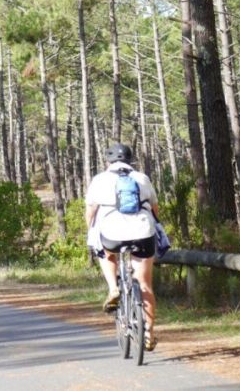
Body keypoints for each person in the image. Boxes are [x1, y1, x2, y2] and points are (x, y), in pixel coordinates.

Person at [86, 143, 159, 351]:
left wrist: (91, 232)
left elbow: (90, 213)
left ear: (108, 161)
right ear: (130, 160)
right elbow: (155, 210)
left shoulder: (100, 180)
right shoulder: (142, 178)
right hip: (143, 233)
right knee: (145, 285)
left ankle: (114, 288)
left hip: (112, 235)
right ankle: (149, 333)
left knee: (106, 253)